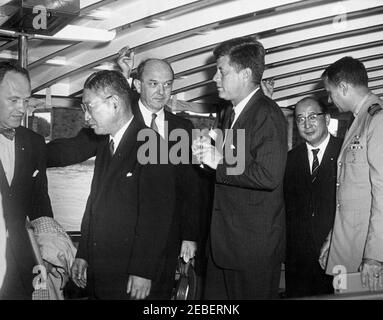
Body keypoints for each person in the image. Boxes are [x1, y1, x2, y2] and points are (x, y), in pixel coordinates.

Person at [193, 36, 288, 299]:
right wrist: (206, 158)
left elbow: (268, 176)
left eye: (221, 70)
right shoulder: (233, 114)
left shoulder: (266, 113)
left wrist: (219, 162)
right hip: (226, 246)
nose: (214, 78)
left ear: (245, 74)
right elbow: (236, 167)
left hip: (251, 252)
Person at [67, 70, 175, 299]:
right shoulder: (107, 144)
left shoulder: (152, 145)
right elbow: (94, 203)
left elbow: (156, 218)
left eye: (89, 107)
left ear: (114, 103)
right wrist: (83, 253)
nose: (86, 116)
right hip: (102, 271)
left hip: (130, 278)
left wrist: (143, 271)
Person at [319, 56, 383, 291]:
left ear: (344, 87)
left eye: (330, 92)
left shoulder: (377, 120)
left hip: (366, 253)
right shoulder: (358, 120)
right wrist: (333, 237)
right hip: (347, 245)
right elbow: (350, 193)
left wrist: (375, 256)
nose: (329, 99)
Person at [0, 61, 53, 299]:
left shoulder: (34, 143)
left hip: (22, 266)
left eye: (26, 100)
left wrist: (46, 255)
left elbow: (41, 205)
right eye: (13, 100)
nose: (22, 109)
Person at [284, 97, 342, 297]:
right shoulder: (290, 159)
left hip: (336, 255)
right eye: (300, 119)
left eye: (312, 117)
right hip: (298, 262)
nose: (307, 124)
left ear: (326, 118)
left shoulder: (346, 152)